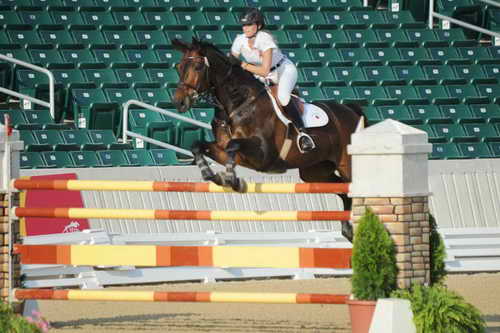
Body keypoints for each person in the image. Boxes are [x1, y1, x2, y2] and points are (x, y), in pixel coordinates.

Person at [230, 7, 315, 153]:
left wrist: (243, 65)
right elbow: (231, 61)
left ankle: (303, 133)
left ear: (259, 25)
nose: (246, 28)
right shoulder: (240, 40)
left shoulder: (265, 39)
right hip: (260, 75)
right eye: (244, 25)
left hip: (283, 71)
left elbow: (264, 70)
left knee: (282, 97)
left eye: (249, 24)